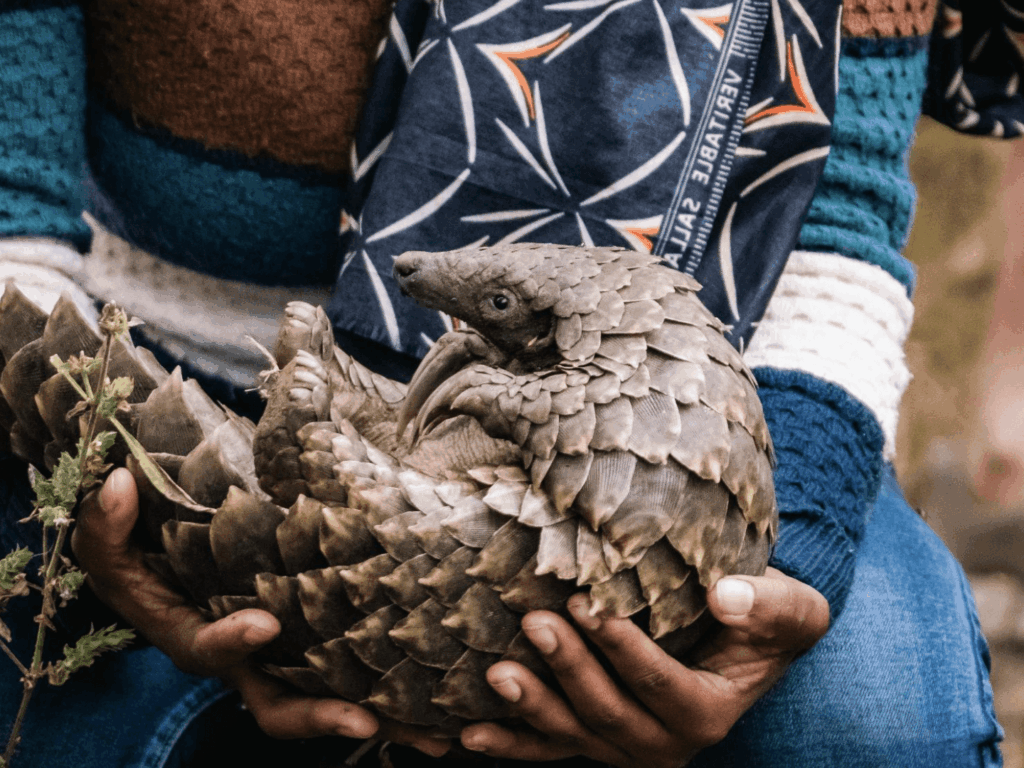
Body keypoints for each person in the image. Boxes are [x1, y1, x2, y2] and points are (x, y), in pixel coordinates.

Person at [0, 0, 1015, 764]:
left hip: (679, 430)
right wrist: (101, 482)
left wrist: (760, 563)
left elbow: (832, 220)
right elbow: (13, 212)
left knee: (873, 718)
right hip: (160, 360)